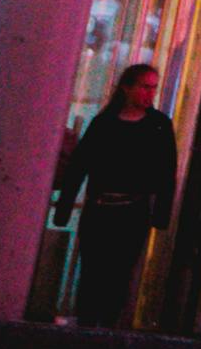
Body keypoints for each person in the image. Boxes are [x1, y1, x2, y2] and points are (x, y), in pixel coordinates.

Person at [59, 60, 178, 325]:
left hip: (131, 210)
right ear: (127, 88)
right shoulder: (105, 123)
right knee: (93, 270)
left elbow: (166, 171)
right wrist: (65, 206)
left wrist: (161, 213)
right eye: (145, 87)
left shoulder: (157, 125)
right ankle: (90, 323)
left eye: (153, 89)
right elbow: (80, 164)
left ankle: (104, 325)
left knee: (119, 273)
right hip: (100, 207)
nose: (150, 94)